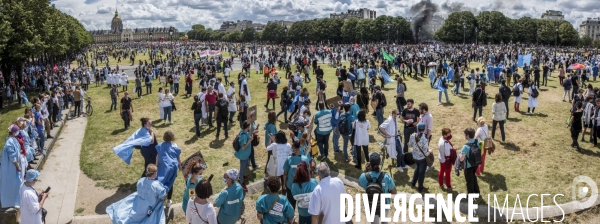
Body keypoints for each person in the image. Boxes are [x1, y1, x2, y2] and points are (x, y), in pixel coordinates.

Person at [359, 153, 397, 224]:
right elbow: (394, 191)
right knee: (384, 221)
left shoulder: (364, 176)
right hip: (384, 205)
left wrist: (366, 171)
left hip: (370, 205)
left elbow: (361, 182)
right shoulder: (386, 177)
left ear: (370, 163)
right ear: (379, 163)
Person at [0, 124, 24, 208]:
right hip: (10, 168)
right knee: (11, 184)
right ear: (13, 132)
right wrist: (17, 166)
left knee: (16, 183)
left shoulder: (13, 139)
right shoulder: (9, 142)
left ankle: (16, 200)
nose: (18, 132)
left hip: (13, 167)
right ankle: (10, 202)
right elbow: (12, 157)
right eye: (17, 131)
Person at [155, 130, 181, 207]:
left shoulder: (160, 146)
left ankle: (160, 200)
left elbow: (157, 157)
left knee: (161, 183)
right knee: (170, 184)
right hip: (172, 168)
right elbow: (178, 158)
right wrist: (180, 167)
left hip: (162, 168)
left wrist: (156, 167)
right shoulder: (175, 146)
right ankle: (168, 201)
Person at [283, 141, 310, 211]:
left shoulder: (289, 159)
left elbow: (285, 173)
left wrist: (284, 184)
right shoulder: (305, 159)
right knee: (303, 203)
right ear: (299, 147)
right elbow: (308, 172)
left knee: (291, 203)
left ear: (294, 148)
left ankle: (291, 218)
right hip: (303, 185)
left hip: (290, 185)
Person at [408, 122, 431, 193]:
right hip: (422, 159)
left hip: (414, 157)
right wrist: (430, 151)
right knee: (421, 173)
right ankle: (420, 188)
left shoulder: (412, 135)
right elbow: (426, 154)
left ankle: (413, 183)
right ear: (424, 129)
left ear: (417, 128)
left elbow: (409, 145)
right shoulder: (425, 139)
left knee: (417, 169)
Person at [460, 128, 480, 194]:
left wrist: (460, 155)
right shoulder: (478, 142)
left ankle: (470, 195)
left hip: (468, 166)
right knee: (474, 177)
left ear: (467, 135)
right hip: (476, 163)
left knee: (469, 181)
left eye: (465, 135)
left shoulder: (466, 146)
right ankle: (477, 191)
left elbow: (461, 159)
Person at [235, 120, 254, 191]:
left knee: (247, 165)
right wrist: (250, 140)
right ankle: (241, 181)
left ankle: (240, 175)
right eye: (250, 126)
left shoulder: (245, 132)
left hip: (246, 155)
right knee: (243, 168)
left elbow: (249, 133)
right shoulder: (243, 136)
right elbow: (243, 147)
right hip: (243, 155)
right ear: (248, 127)